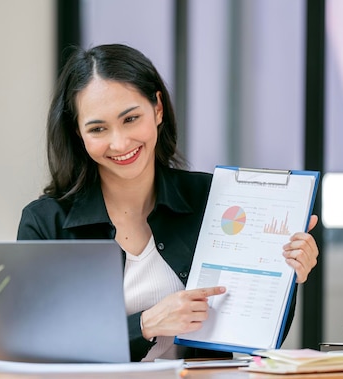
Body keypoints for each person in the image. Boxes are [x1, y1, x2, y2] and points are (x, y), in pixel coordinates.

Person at [16, 43, 319, 362]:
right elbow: (37, 346)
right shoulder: (46, 222)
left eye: (131, 118)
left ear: (157, 108)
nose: (119, 142)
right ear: (78, 133)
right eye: (98, 128)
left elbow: (254, 337)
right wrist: (146, 324)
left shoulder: (212, 198)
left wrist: (285, 271)